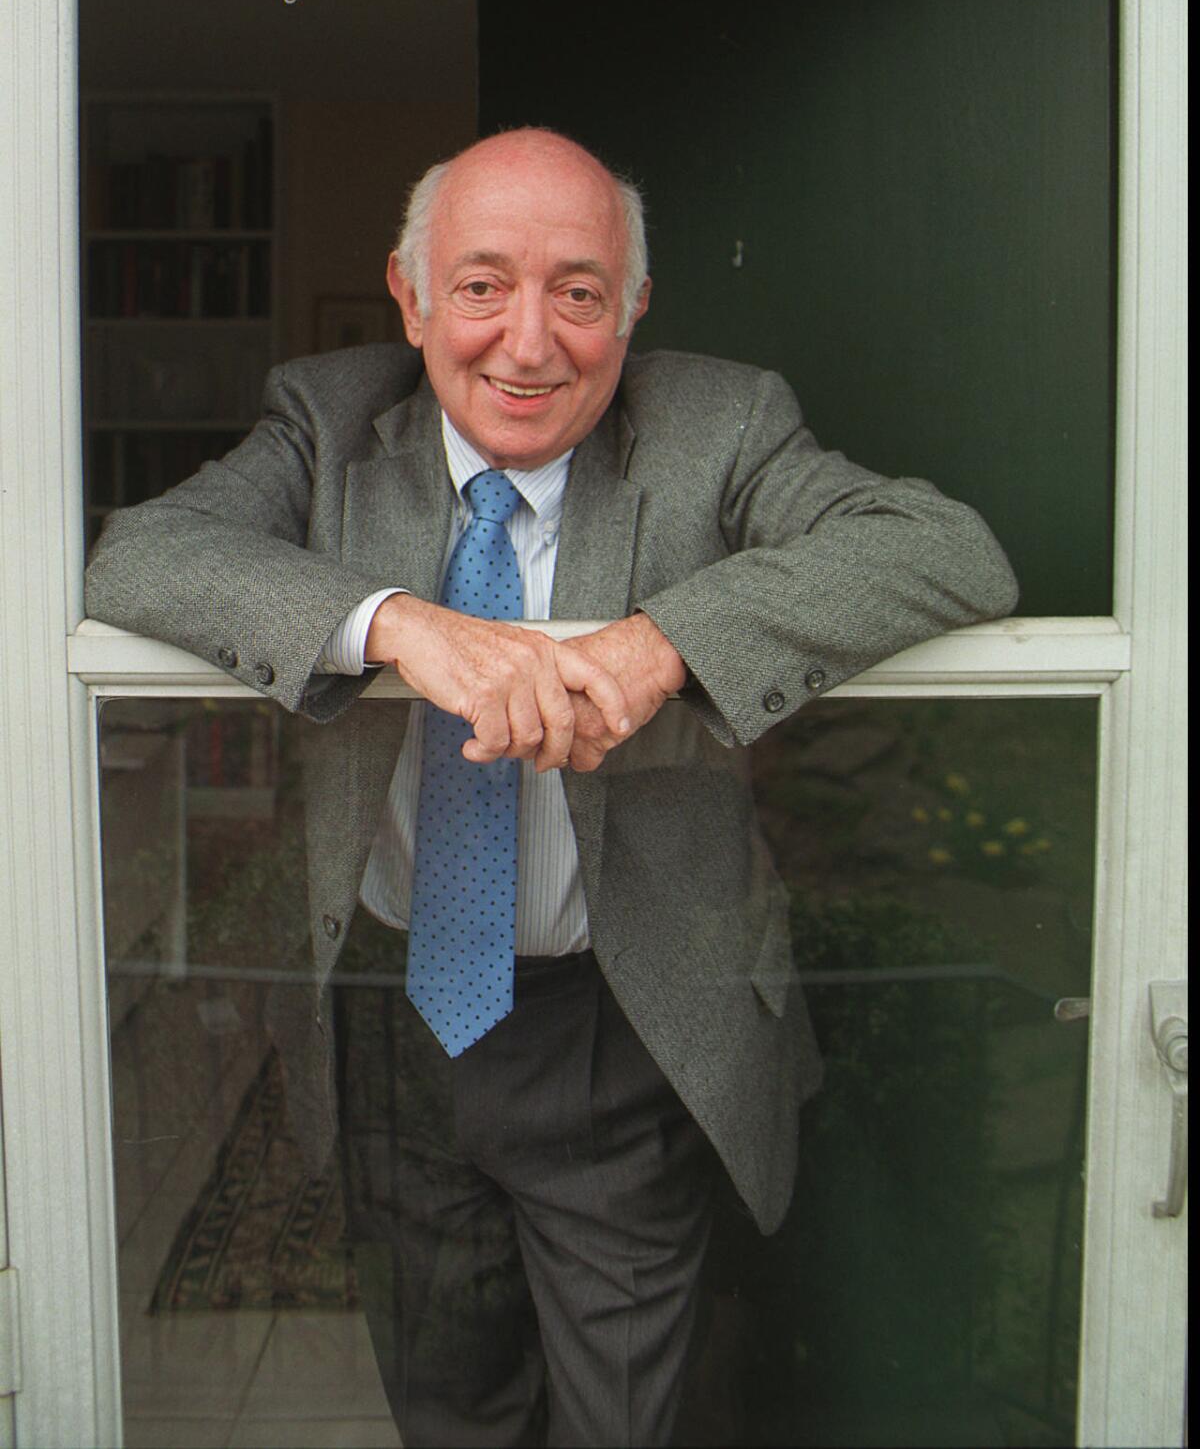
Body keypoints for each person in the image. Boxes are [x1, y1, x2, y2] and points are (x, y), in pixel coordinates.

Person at [85, 126, 1018, 1447]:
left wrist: (667, 638)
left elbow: (942, 551)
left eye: (580, 292)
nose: (530, 344)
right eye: (481, 286)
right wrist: (399, 622)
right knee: (448, 1404)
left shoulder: (723, 421)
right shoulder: (327, 414)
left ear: (633, 306)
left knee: (630, 1417)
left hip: (620, 1018)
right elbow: (142, 559)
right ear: (410, 297)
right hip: (394, 1020)